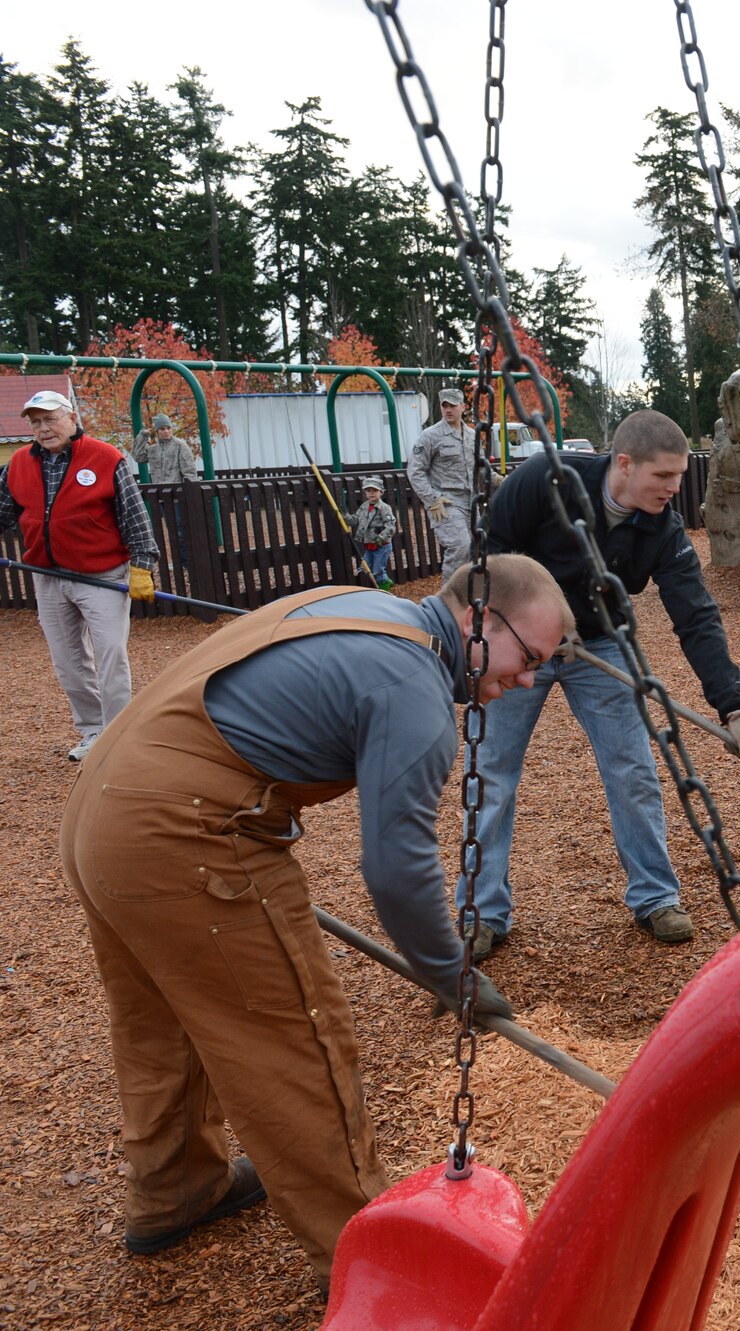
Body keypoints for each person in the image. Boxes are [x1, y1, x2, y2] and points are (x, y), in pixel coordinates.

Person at [58, 555, 571, 1283]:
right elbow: (396, 868)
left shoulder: (367, 608)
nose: (528, 680)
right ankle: (371, 1260)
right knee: (298, 1033)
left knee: (160, 1021)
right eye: (530, 657)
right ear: (478, 617)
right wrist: (451, 970)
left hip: (103, 811)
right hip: (187, 830)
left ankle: (175, 1186)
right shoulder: (417, 693)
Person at [464, 409, 740, 960]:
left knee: (633, 769)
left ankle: (655, 897)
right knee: (491, 774)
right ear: (623, 464)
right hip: (517, 643)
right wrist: (506, 638)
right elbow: (486, 561)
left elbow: (695, 614)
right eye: (664, 477)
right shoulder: (543, 481)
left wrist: (733, 707)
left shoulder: (662, 527)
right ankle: (482, 912)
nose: (676, 489)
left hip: (599, 645)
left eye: (678, 478)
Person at [0, 390, 162, 761]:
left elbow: (133, 516)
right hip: (48, 575)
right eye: (36, 422)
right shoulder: (19, 464)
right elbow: (2, 513)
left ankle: (118, 735)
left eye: (50, 419)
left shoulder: (105, 458)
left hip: (102, 573)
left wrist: (141, 566)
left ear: (72, 418)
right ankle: (93, 731)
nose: (43, 428)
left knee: (110, 653)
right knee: (69, 660)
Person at [408, 386, 476, 584]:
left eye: (452, 406)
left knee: (479, 548)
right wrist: (432, 499)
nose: (448, 410)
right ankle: (447, 598)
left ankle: (470, 593)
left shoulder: (472, 436)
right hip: (445, 502)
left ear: (463, 407)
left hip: (470, 501)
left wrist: (499, 481)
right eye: (444, 405)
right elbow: (415, 471)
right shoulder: (430, 436)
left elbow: (480, 468)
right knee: (461, 546)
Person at [350, 476, 399, 591]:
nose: (371, 493)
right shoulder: (364, 507)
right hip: (369, 545)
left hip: (382, 546)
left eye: (375, 490)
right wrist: (347, 518)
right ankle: (386, 581)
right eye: (368, 491)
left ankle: (385, 591)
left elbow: (391, 525)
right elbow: (356, 519)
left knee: (378, 571)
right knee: (366, 567)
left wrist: (381, 538)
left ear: (381, 492)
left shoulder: (385, 508)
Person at [135, 413, 201, 485]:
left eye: (168, 428)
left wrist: (190, 491)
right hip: (158, 492)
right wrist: (142, 436)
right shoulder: (152, 450)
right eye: (162, 429)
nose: (166, 431)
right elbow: (138, 457)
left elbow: (190, 472)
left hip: (178, 491)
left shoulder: (180, 446)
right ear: (157, 432)